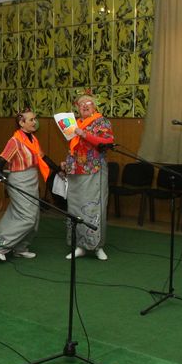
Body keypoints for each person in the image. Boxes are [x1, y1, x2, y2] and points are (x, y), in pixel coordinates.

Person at [0, 108, 60, 261]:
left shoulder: (33, 139)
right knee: (27, 218)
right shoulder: (15, 141)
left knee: (33, 217)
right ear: (21, 123)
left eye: (35, 119)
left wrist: (58, 170)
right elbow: (1, 160)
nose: (35, 122)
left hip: (32, 179)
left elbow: (43, 157)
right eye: (31, 120)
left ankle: (20, 248)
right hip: (19, 180)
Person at [60, 93, 114, 261]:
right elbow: (74, 146)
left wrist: (83, 134)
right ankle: (79, 245)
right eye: (80, 104)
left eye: (88, 103)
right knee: (75, 208)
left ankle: (97, 246)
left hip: (94, 169)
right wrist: (67, 161)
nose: (84, 106)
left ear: (94, 106)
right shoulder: (74, 123)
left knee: (94, 207)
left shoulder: (101, 121)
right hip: (75, 170)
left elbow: (107, 142)